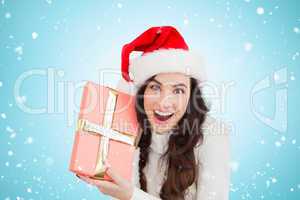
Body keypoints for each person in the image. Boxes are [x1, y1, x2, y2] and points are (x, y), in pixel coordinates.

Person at [78, 26, 231, 200]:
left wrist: (130, 195)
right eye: (155, 87)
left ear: (191, 95)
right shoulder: (132, 125)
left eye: (178, 90)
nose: (164, 103)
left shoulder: (211, 135)